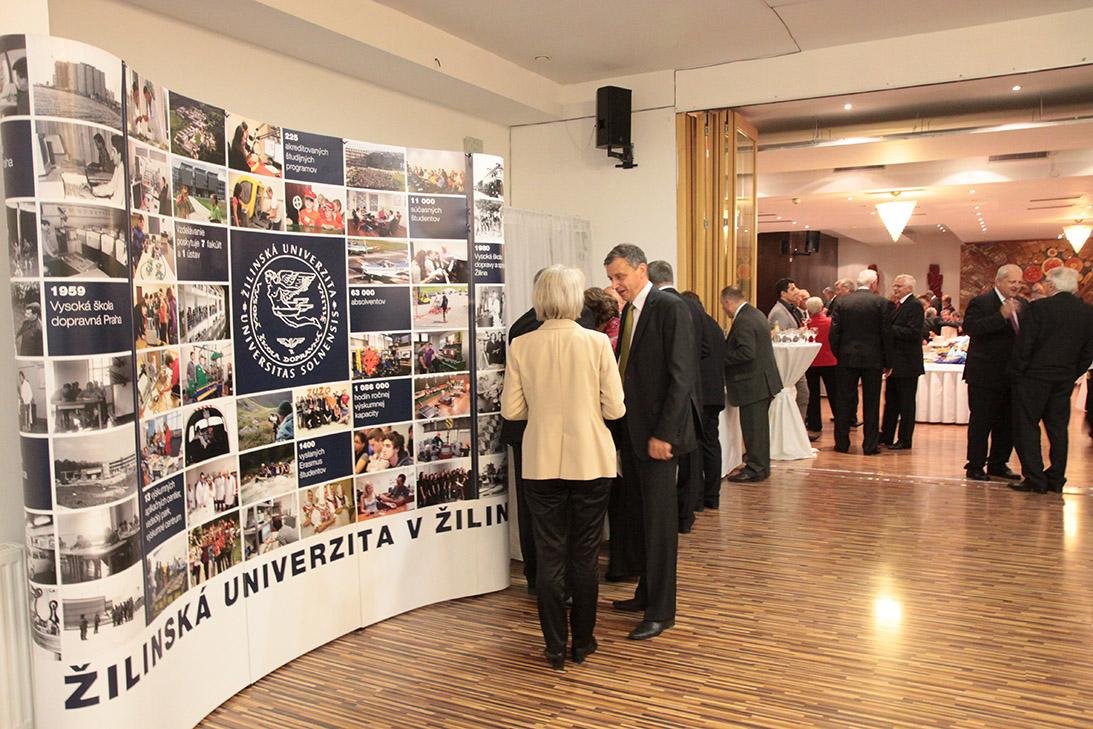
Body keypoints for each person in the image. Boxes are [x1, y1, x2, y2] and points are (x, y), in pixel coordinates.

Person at [500, 264, 625, 669]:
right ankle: (583, 642)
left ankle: (555, 646)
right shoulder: (597, 343)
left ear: (540, 298)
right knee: (584, 556)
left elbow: (512, 411)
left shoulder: (522, 345)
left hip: (540, 463)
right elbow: (615, 408)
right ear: (575, 299)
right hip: (591, 461)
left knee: (550, 556)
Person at [604, 244, 698, 641]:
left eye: (620, 276)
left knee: (659, 526)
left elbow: (682, 377)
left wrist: (665, 435)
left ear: (641, 270)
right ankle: (645, 594)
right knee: (641, 520)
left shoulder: (669, 308)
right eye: (611, 278)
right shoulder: (629, 311)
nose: (616, 285)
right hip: (633, 432)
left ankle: (662, 610)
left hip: (658, 436)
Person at [1010, 267, 1093, 494]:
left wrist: (1017, 372)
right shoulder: (1087, 311)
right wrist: (1072, 373)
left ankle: (1035, 478)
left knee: (1027, 427)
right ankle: (1056, 478)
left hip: (1033, 377)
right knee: (1058, 429)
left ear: (1052, 285)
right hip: (1063, 378)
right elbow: (1088, 351)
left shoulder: (1039, 307)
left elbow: (1025, 344)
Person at [646, 260, 705, 534]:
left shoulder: (663, 307)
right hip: (691, 397)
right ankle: (686, 515)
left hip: (672, 400)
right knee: (689, 464)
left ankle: (680, 518)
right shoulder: (692, 305)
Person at [962, 264, 1024, 482]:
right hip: (984, 376)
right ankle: (975, 465)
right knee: (981, 423)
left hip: (1012, 376)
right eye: (1012, 282)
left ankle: (998, 464)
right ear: (998, 281)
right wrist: (1001, 317)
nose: (1016, 286)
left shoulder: (1022, 304)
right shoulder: (981, 302)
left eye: (1019, 282)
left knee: (1007, 424)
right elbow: (971, 328)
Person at [721, 286, 782, 482]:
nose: (724, 310)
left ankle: (755, 469)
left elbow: (747, 352)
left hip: (752, 383)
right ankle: (761, 467)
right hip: (762, 381)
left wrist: (722, 358)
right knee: (759, 430)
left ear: (728, 302)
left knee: (753, 430)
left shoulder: (744, 320)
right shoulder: (755, 313)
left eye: (723, 306)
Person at [829, 269, 892, 455]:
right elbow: (886, 334)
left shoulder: (841, 301)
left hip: (846, 357)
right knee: (871, 403)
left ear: (858, 283)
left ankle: (842, 444)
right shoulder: (882, 303)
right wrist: (888, 361)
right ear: (873, 283)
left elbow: (834, 332)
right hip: (873, 359)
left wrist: (839, 354)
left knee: (843, 401)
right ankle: (870, 445)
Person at [681, 290, 727, 508]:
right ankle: (712, 495)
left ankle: (697, 498)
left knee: (696, 447)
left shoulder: (692, 324)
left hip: (699, 395)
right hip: (715, 392)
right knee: (711, 443)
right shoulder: (714, 324)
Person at [879, 274, 925, 450]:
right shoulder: (896, 305)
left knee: (906, 404)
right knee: (891, 401)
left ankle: (905, 439)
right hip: (895, 362)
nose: (895, 289)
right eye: (895, 286)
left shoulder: (915, 305)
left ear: (909, 288)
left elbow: (913, 332)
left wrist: (887, 329)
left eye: (899, 286)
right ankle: (886, 435)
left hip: (908, 363)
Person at [768, 278, 808, 424]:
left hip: (794, 362)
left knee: (803, 395)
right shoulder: (779, 312)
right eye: (792, 289)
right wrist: (799, 333)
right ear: (783, 294)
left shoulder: (790, 310)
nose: (796, 291)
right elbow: (781, 338)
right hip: (788, 364)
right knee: (800, 395)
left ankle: (798, 430)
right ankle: (794, 430)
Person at [803, 296, 837, 435]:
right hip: (829, 361)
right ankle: (840, 418)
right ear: (822, 307)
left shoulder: (806, 325)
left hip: (812, 362)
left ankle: (814, 423)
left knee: (813, 394)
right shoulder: (830, 322)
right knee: (834, 393)